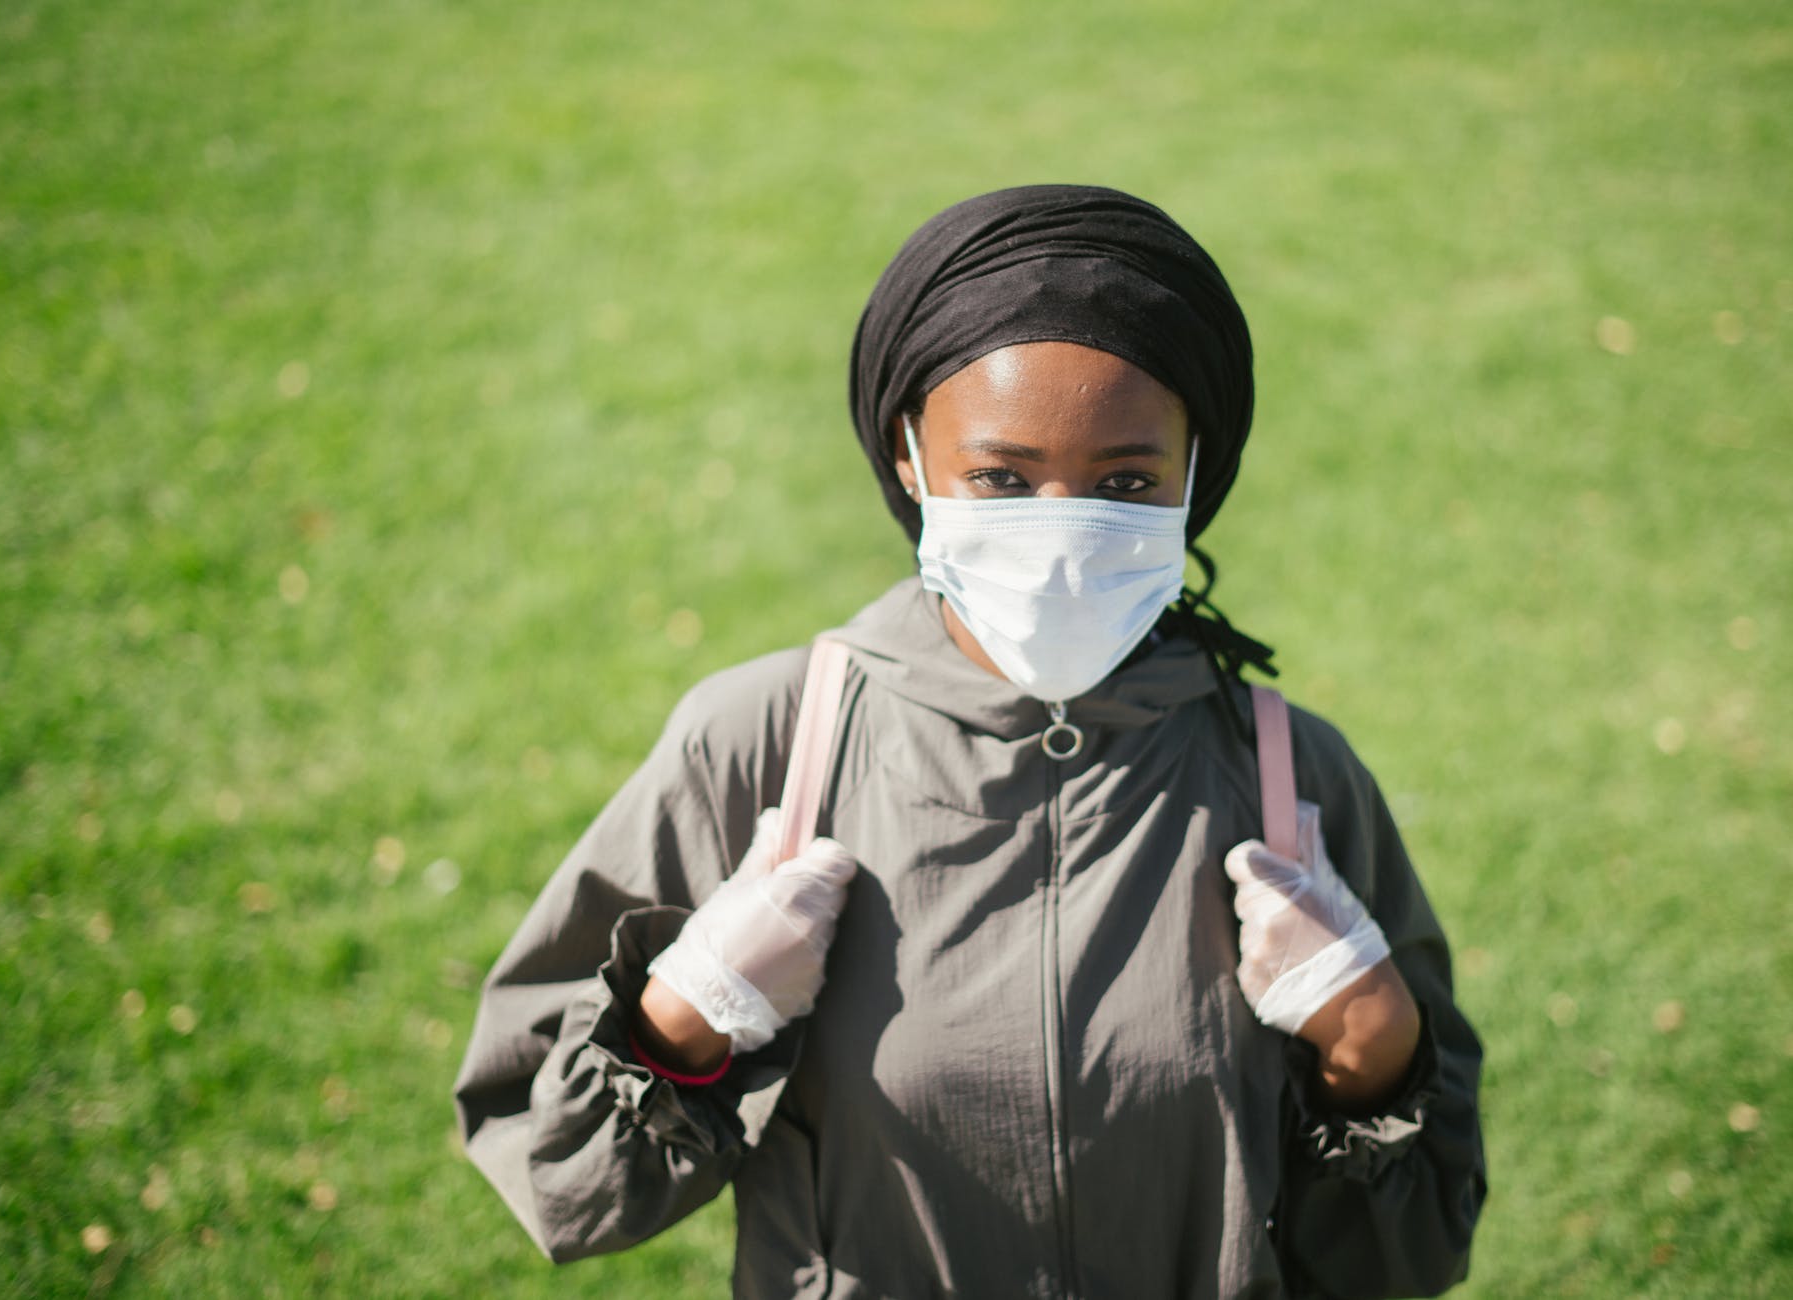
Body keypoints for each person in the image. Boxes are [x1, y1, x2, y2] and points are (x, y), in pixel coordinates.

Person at [454, 184, 1487, 1298]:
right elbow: (557, 1178)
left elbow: (1410, 1256)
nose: (1058, 534)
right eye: (999, 478)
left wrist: (1371, 1047)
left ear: (1195, 475)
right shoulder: (759, 747)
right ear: (908, 454)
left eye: (1124, 482)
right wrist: (686, 1016)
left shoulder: (1291, 779)